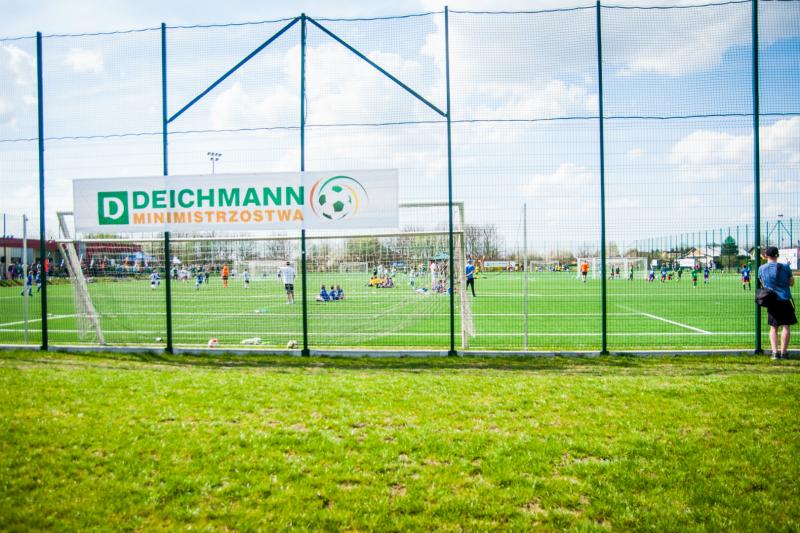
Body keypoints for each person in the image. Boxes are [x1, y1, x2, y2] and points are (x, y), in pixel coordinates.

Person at [759, 246, 796, 359]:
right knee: (786, 327)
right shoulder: (785, 267)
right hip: (784, 299)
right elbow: (791, 283)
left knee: (773, 328)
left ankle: (775, 353)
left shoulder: (761, 268)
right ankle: (784, 353)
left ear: (766, 256)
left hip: (772, 301)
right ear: (777, 255)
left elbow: (762, 283)